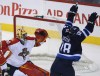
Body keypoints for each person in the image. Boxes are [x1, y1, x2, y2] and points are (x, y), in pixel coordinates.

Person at [50, 4, 98, 76]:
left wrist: (72, 13)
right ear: (77, 33)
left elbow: (68, 22)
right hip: (67, 67)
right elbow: (88, 29)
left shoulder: (65, 32)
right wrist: (91, 21)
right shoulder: (78, 38)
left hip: (55, 65)